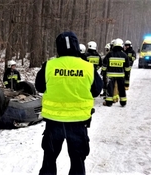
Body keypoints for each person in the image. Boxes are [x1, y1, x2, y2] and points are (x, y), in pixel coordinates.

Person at [35, 31, 103, 175]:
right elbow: (97, 90)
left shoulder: (49, 66)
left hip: (54, 122)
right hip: (78, 122)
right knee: (78, 161)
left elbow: (39, 87)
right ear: (77, 46)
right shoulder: (88, 67)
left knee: (49, 160)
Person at [102, 38, 130, 107]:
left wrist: (104, 73)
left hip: (110, 75)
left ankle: (109, 102)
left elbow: (104, 65)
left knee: (110, 88)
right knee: (121, 89)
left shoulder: (109, 54)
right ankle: (123, 102)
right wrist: (127, 79)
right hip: (121, 75)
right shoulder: (124, 55)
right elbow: (127, 69)